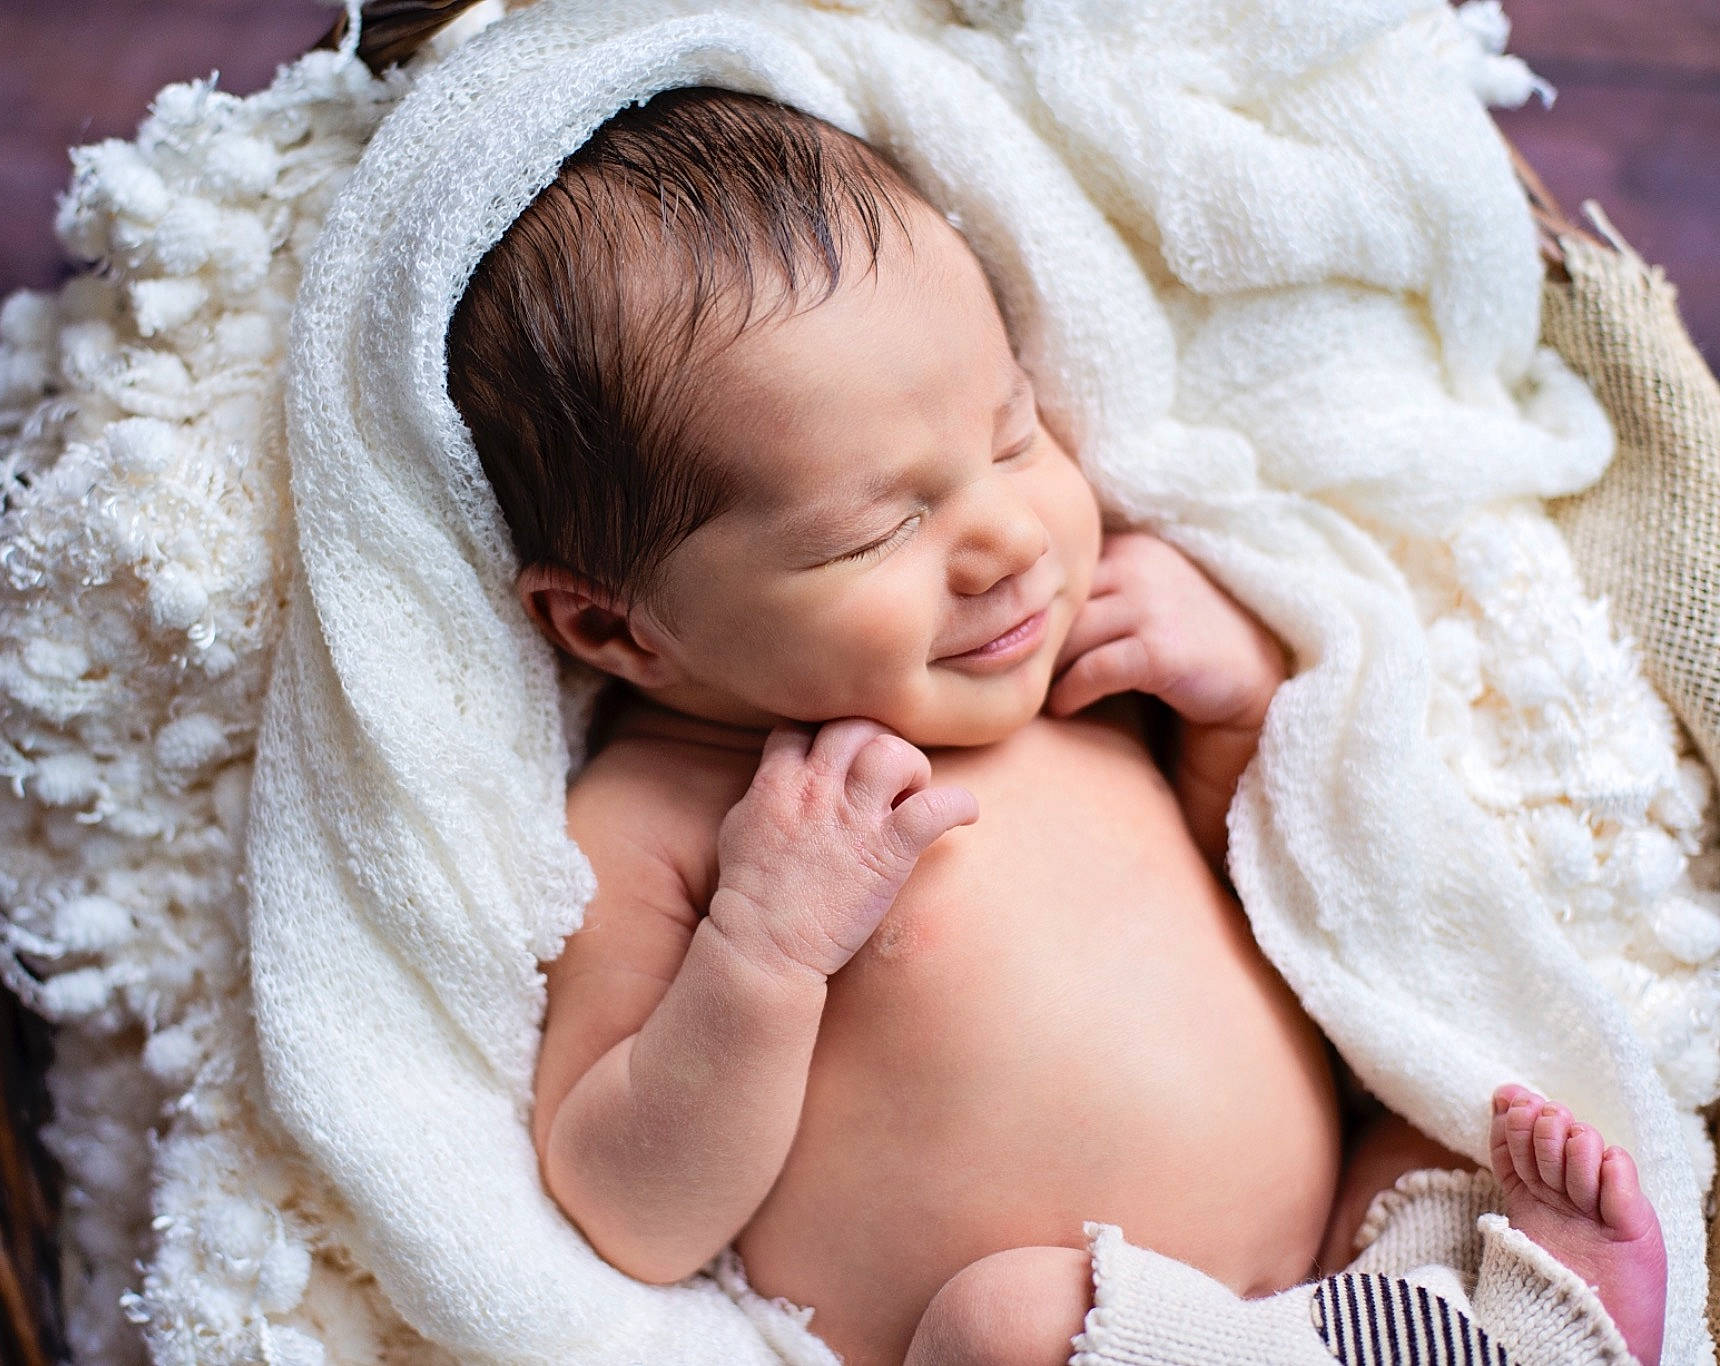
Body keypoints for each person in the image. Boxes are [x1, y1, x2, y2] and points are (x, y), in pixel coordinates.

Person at [444, 86, 1667, 1366]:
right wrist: (761, 948)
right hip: (1071, 1346)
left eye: (1013, 433)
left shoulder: (1080, 679)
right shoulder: (659, 823)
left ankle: (1477, 1326)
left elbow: (1279, 897)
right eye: (880, 529)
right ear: (617, 630)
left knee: (1456, 1120)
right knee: (1005, 1319)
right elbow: (629, 1209)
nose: (1013, 540)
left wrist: (1236, 710)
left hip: (1341, 1279)